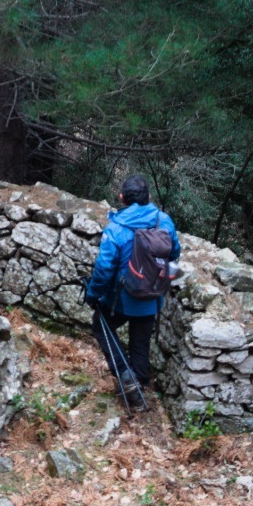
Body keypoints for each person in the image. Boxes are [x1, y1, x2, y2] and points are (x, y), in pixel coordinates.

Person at [83, 174, 180, 408]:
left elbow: (105, 268)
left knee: (100, 325)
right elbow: (174, 253)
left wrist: (93, 294)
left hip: (121, 298)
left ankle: (126, 376)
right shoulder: (163, 221)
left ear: (121, 198)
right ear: (149, 197)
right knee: (140, 342)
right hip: (152, 296)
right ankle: (138, 386)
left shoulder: (116, 227)